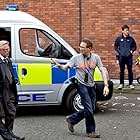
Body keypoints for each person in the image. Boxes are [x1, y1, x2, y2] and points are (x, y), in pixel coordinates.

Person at [51, 39, 109, 138]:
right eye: (80, 46)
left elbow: (103, 70)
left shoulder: (96, 58)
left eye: (83, 47)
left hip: (91, 85)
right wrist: (59, 65)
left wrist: (106, 85)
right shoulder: (76, 58)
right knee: (89, 109)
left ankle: (72, 119)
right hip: (81, 85)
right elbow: (66, 68)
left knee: (91, 108)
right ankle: (91, 131)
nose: (80, 48)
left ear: (89, 49)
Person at [0, 40, 25, 140]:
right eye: (5, 50)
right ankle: (7, 135)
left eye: (8, 49)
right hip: (0, 91)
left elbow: (10, 71)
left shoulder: (8, 60)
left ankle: (9, 133)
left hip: (9, 90)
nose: (7, 51)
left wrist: (15, 78)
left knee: (11, 111)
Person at [114, 25, 137, 90]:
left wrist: (132, 51)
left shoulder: (131, 39)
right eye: (126, 30)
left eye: (128, 30)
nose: (127, 31)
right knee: (121, 71)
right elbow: (115, 46)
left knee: (130, 71)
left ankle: (131, 84)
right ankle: (121, 84)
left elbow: (134, 46)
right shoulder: (119, 39)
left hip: (129, 57)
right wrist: (119, 52)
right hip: (121, 57)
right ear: (122, 31)